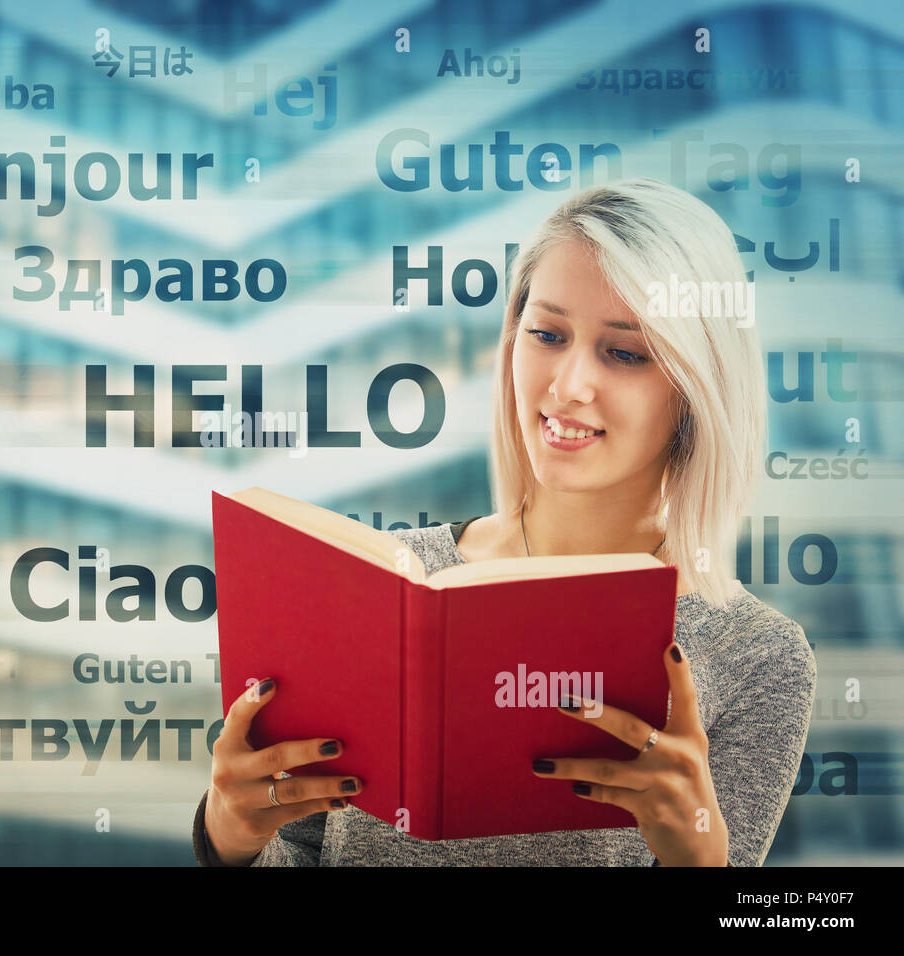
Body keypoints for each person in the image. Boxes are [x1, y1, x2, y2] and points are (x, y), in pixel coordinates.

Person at [193, 178, 817, 866]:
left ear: (698, 387)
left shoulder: (757, 657)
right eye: (547, 334)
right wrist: (230, 836)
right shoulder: (382, 583)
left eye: (626, 352)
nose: (567, 384)